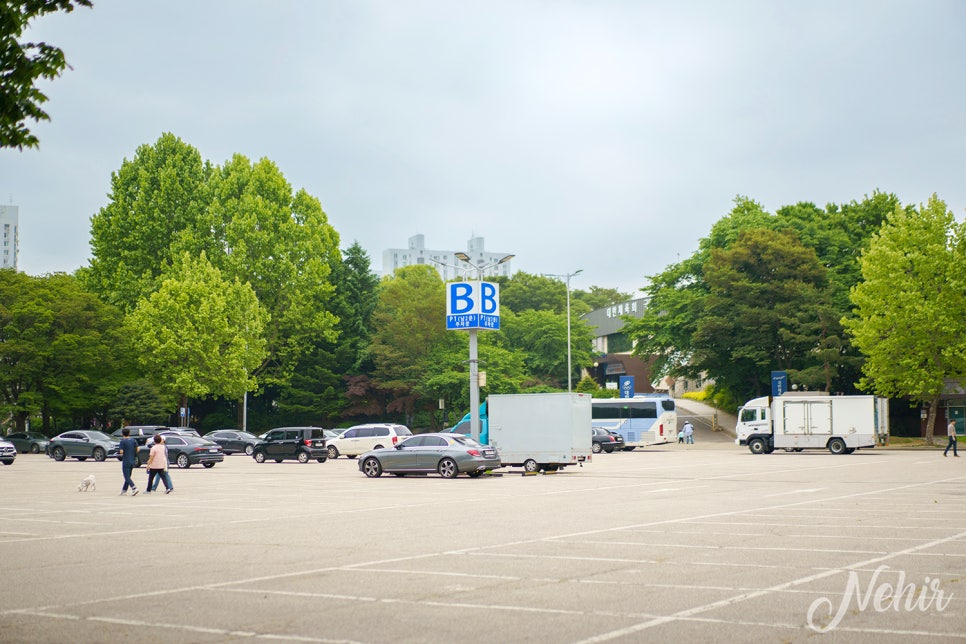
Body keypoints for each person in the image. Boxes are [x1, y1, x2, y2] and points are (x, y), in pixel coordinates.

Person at [118, 427, 139, 496]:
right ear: (129, 433)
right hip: (132, 460)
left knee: (126, 476)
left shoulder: (123, 441)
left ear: (122, 434)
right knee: (128, 476)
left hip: (126, 460)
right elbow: (138, 449)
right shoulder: (133, 440)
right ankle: (124, 490)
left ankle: (134, 487)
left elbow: (121, 451)